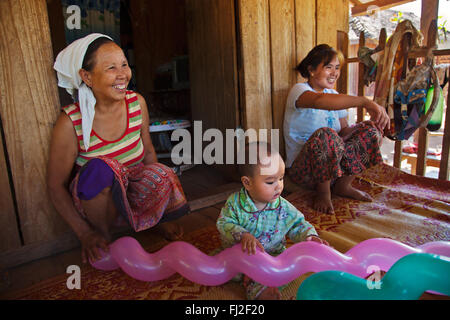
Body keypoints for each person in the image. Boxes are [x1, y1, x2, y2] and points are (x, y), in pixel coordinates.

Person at [47, 34, 190, 264]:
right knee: (101, 169)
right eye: (111, 68)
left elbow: (149, 153)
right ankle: (103, 236)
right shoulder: (70, 122)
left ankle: (151, 222)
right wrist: (84, 233)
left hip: (132, 190)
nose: (122, 73)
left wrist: (160, 208)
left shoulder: (136, 103)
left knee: (163, 172)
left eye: (124, 64)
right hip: (99, 205)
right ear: (87, 77)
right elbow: (55, 187)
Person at [283, 44, 390, 215]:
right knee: (325, 134)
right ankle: (324, 193)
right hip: (304, 172)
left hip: (334, 171)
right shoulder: (300, 91)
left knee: (369, 130)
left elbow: (345, 133)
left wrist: (366, 129)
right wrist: (364, 101)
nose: (334, 73)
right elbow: (319, 101)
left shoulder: (334, 95)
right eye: (328, 67)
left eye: (337, 68)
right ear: (311, 70)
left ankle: (343, 185)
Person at [216, 142, 329, 300]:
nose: (278, 186)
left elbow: (297, 223)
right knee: (225, 268)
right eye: (270, 182)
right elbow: (223, 222)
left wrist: (309, 237)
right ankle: (250, 280)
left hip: (273, 256)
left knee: (281, 272)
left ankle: (261, 288)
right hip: (242, 256)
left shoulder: (283, 207)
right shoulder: (235, 203)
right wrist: (242, 235)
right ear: (247, 183)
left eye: (281, 179)